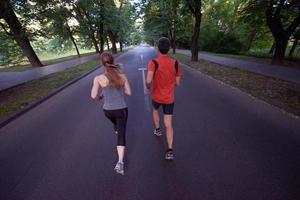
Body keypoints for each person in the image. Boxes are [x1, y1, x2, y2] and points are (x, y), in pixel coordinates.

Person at [91, 52, 131, 175]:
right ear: (113, 61)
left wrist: (100, 97)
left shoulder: (98, 78)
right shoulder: (122, 76)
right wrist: (122, 87)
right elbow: (129, 93)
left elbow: (93, 96)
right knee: (121, 135)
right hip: (121, 110)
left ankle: (116, 127)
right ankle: (120, 162)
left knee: (116, 125)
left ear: (102, 63)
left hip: (107, 111)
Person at [146, 37, 182, 160]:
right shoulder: (176, 63)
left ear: (157, 48)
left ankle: (157, 129)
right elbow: (178, 83)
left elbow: (149, 80)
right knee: (169, 124)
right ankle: (170, 150)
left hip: (157, 96)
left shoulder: (153, 62)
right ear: (169, 49)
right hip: (169, 98)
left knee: (155, 110)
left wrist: (147, 87)